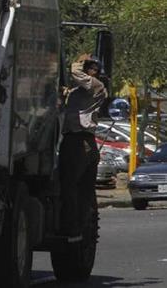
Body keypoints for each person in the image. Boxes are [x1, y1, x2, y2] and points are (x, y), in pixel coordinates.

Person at [59, 54, 108, 242]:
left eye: (92, 67)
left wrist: (78, 61)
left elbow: (75, 72)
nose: (90, 70)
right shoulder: (79, 91)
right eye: (88, 67)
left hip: (80, 142)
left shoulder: (96, 86)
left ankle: (73, 228)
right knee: (81, 189)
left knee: (72, 186)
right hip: (80, 142)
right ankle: (77, 228)